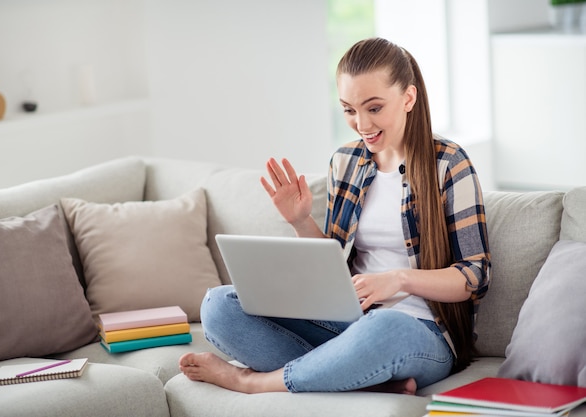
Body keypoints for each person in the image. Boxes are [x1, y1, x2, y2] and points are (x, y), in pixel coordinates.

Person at [179, 37, 490, 395]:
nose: (361, 124)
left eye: (374, 108)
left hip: (419, 332)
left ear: (408, 97)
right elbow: (332, 268)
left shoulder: (450, 163)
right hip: (347, 323)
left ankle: (256, 382)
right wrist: (300, 220)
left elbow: (474, 276)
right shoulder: (345, 161)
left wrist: (399, 280)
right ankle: (360, 379)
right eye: (349, 109)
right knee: (219, 306)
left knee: (383, 328)